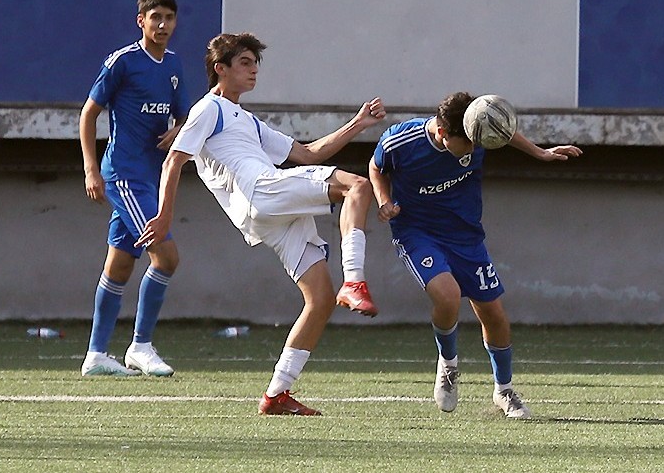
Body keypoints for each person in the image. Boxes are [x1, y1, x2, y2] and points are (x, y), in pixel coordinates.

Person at [135, 32, 383, 415]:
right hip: (262, 192)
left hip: (268, 213)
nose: (253, 71)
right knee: (358, 186)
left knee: (319, 300)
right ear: (221, 69)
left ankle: (276, 394)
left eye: (255, 64)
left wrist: (358, 123)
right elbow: (173, 161)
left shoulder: (246, 120)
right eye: (245, 63)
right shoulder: (209, 109)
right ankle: (355, 280)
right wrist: (165, 215)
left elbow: (307, 153)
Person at [368, 91, 582, 418]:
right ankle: (449, 365)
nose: (475, 148)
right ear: (442, 133)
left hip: (465, 235)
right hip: (417, 232)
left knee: (494, 314)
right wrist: (384, 200)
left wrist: (539, 153)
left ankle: (504, 391)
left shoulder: (477, 129)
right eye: (468, 143)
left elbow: (502, 132)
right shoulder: (402, 142)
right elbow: (376, 166)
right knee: (448, 295)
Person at [79, 0, 191, 377]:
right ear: (140, 21)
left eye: (169, 18)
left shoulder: (174, 65)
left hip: (151, 176)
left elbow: (184, 118)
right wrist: (91, 169)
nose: (162, 25)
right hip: (124, 175)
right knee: (167, 256)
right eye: (155, 17)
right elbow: (89, 113)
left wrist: (177, 131)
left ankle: (96, 354)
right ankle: (141, 346)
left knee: (121, 263)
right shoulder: (123, 62)